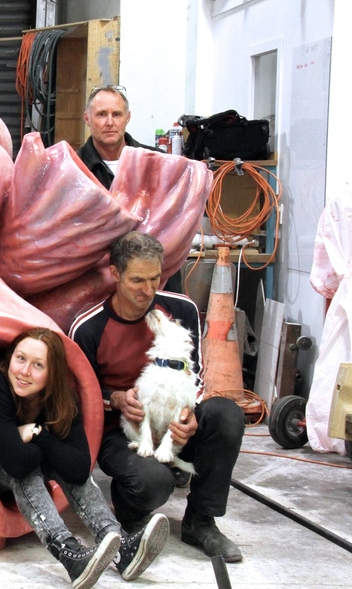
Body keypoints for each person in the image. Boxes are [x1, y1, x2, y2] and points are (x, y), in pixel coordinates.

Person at [69, 232, 245, 563]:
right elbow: (78, 395)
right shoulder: (88, 328)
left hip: (173, 415)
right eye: (137, 280)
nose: (147, 290)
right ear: (115, 273)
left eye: (154, 279)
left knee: (226, 414)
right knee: (153, 483)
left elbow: (195, 372)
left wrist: (190, 413)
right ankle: (131, 510)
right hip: (122, 429)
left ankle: (201, 521)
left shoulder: (181, 309)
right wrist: (115, 399)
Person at [0, 328, 168, 588]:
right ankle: (67, 551)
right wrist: (43, 448)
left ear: (52, 372)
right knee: (28, 470)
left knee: (61, 463)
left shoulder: (62, 399)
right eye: (20, 359)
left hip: (23, 455)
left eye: (38, 365)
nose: (24, 371)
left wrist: (38, 434)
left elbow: (78, 468)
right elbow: (16, 464)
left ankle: (120, 546)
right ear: (10, 358)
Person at [76, 85, 159, 189]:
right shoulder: (74, 167)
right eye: (101, 114)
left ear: (127, 118)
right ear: (87, 119)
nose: (110, 123)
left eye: (116, 115)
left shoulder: (156, 162)